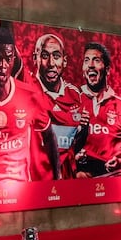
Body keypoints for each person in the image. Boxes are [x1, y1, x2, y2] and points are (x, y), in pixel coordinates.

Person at [0, 27, 59, 183]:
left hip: (20, 194)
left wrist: (57, 179)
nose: (3, 65)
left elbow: (49, 135)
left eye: (8, 58)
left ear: (14, 59)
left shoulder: (29, 95)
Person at [74, 42, 121, 177]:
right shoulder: (73, 102)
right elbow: (57, 153)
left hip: (114, 184)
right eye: (86, 60)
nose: (90, 65)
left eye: (96, 60)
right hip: (80, 185)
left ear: (107, 69)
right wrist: (75, 154)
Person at [32, 33, 83, 179]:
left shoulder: (75, 95)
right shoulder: (28, 91)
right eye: (44, 56)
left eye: (56, 56)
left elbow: (75, 139)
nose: (51, 63)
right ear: (35, 58)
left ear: (64, 60)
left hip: (67, 180)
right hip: (37, 182)